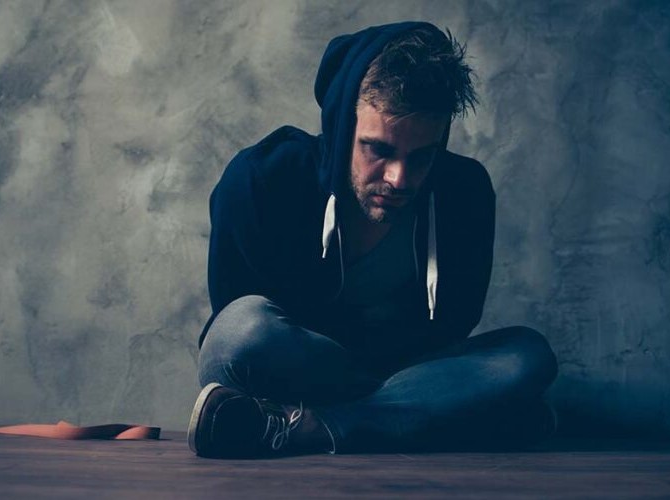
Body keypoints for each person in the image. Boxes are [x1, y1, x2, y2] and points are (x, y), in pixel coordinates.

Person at [187, 21, 558, 458]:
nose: (399, 178)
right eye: (379, 150)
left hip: (407, 371)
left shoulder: (465, 193)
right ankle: (436, 418)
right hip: (304, 370)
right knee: (239, 332)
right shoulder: (261, 180)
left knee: (526, 355)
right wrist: (427, 397)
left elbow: (453, 327)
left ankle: (312, 428)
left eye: (422, 157)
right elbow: (237, 338)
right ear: (344, 127)